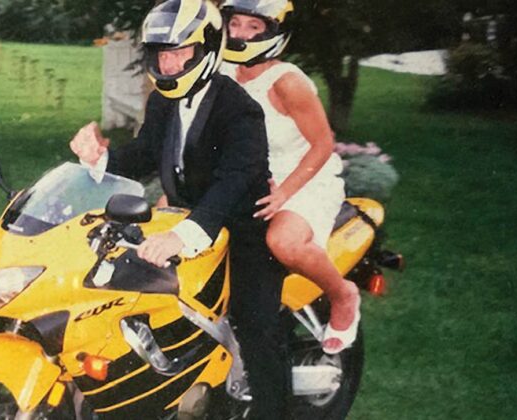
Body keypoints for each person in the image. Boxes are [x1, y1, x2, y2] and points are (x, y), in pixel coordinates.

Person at [70, 0, 288, 417]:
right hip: (187, 221)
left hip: (242, 232)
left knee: (256, 326)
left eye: (178, 52)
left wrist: (179, 235)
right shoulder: (164, 101)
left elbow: (231, 185)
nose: (168, 63)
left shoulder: (239, 109)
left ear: (205, 48)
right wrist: (98, 158)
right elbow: (143, 154)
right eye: (160, 53)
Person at [219, 0, 361, 355]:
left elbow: (324, 143)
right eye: (234, 23)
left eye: (254, 27)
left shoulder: (287, 82)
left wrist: (284, 193)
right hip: (250, 173)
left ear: (274, 32)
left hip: (304, 177)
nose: (240, 34)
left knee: (284, 242)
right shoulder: (221, 72)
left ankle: (343, 295)